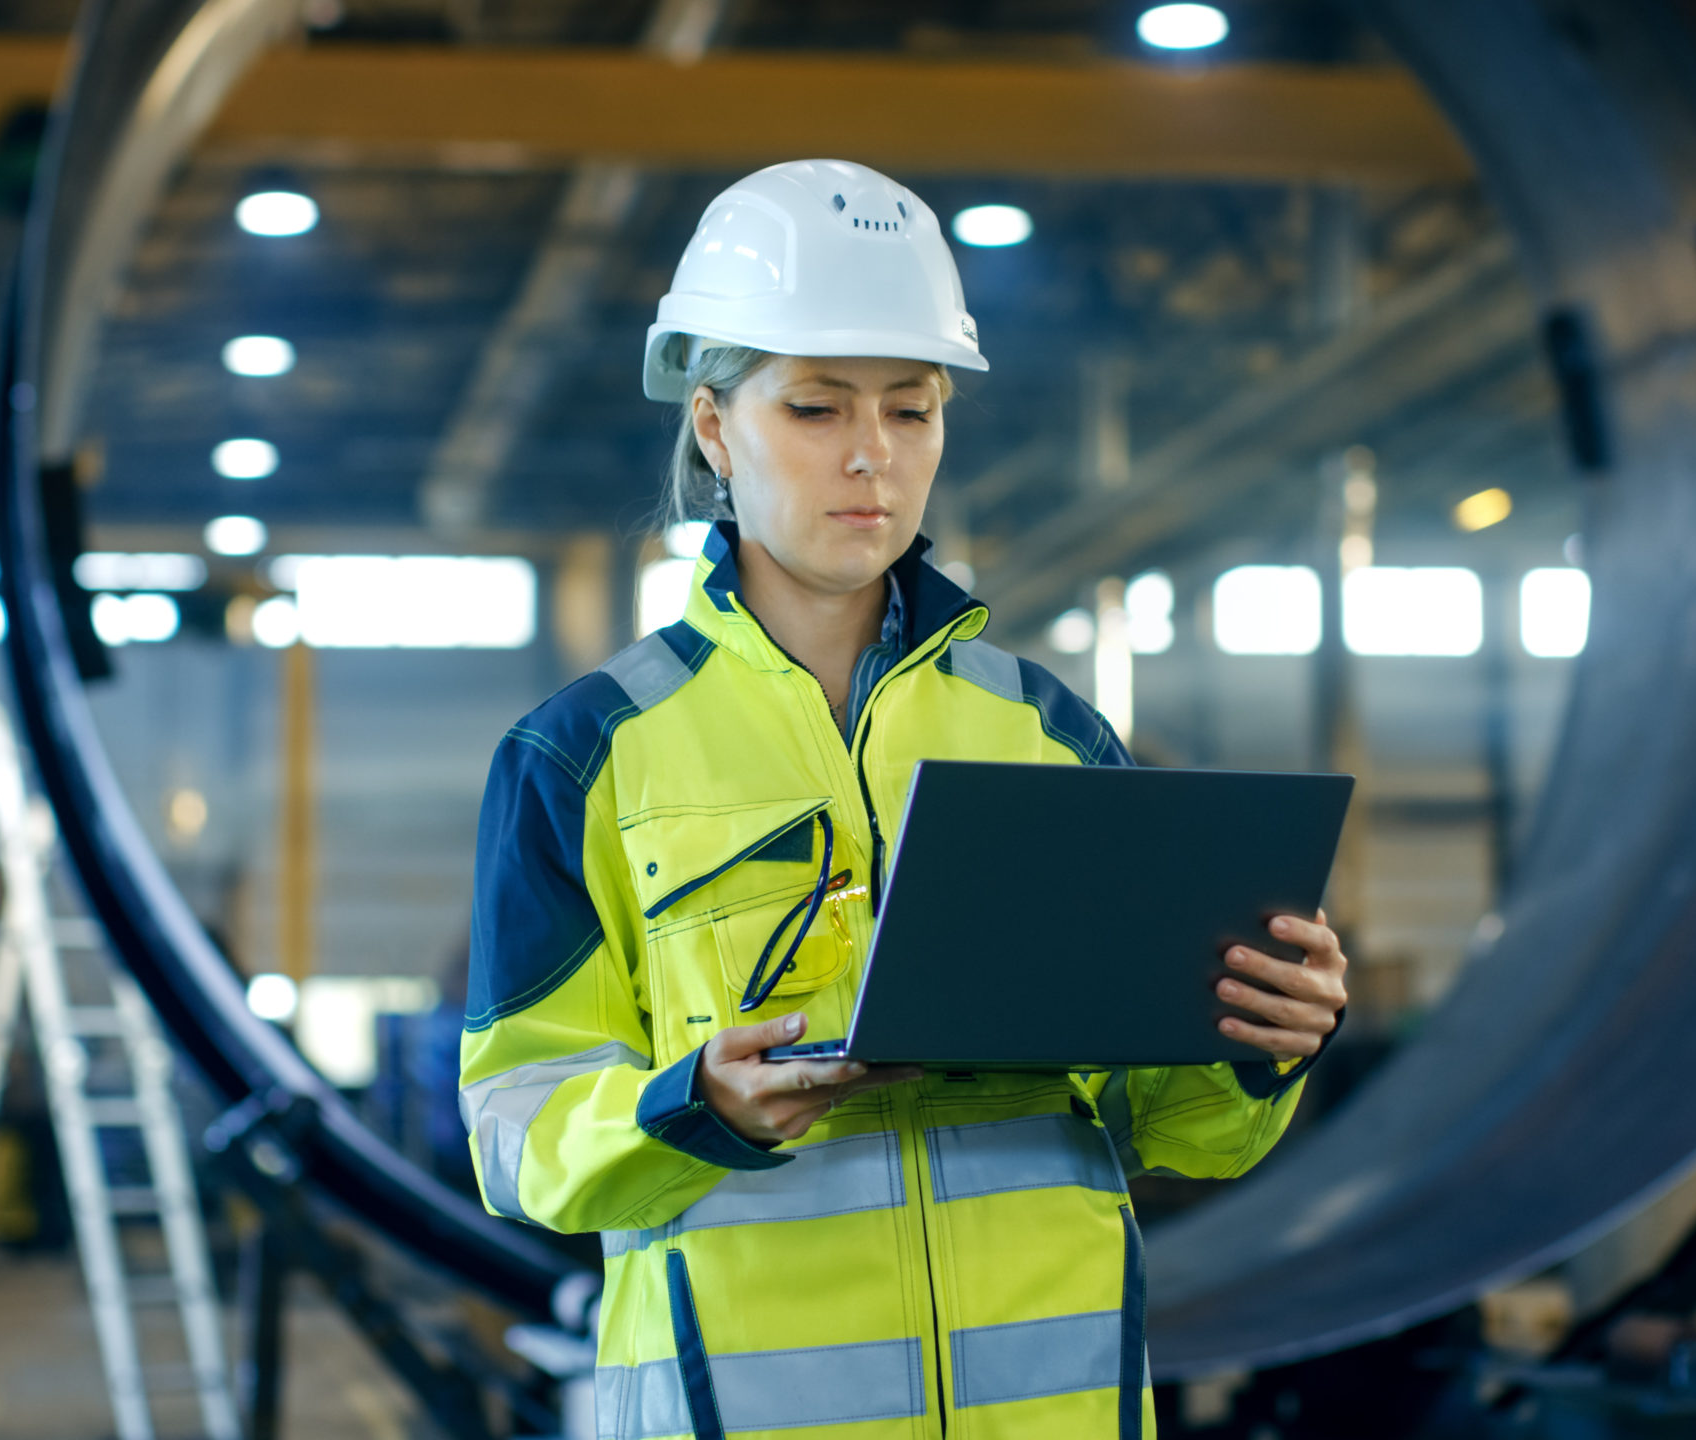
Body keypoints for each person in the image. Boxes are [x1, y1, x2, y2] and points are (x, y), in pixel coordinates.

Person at [459, 158, 1347, 1439]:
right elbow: (514, 1131)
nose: (871, 458)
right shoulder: (582, 755)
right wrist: (690, 1106)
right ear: (714, 427)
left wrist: (1262, 1041)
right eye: (815, 410)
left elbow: (1175, 1130)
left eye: (912, 412)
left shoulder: (1046, 731)